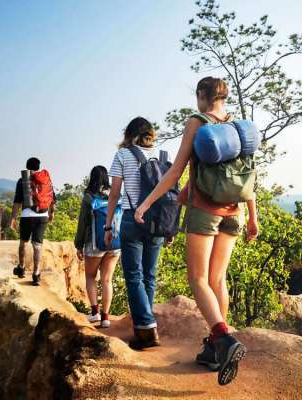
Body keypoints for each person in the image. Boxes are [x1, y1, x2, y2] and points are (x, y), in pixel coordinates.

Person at [132, 77, 259, 386]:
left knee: (198, 279)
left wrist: (146, 203)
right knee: (218, 279)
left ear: (202, 96)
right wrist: (254, 217)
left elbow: (175, 170)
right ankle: (216, 350)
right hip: (237, 212)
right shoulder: (237, 128)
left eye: (198, 96)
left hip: (206, 214)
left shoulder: (197, 122)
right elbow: (248, 176)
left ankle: (224, 339)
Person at [104, 117, 170, 350]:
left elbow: (114, 194)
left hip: (133, 218)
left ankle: (146, 328)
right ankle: (145, 326)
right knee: (149, 275)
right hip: (159, 219)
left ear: (128, 133)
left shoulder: (123, 155)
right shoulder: (162, 154)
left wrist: (109, 225)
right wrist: (170, 227)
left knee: (134, 275)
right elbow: (170, 191)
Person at [74, 166, 121, 329]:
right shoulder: (116, 195)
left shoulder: (89, 197)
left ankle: (95, 313)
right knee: (107, 279)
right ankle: (106, 318)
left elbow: (83, 223)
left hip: (95, 244)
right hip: (115, 243)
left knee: (90, 277)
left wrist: (78, 245)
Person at [10, 157, 55, 286]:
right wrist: (51, 213)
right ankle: (36, 274)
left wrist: (13, 218)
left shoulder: (23, 180)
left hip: (26, 216)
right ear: (39, 166)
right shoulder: (46, 180)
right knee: (37, 245)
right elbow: (52, 198)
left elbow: (17, 202)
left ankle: (21, 268)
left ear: (27, 167)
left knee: (23, 242)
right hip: (43, 216)